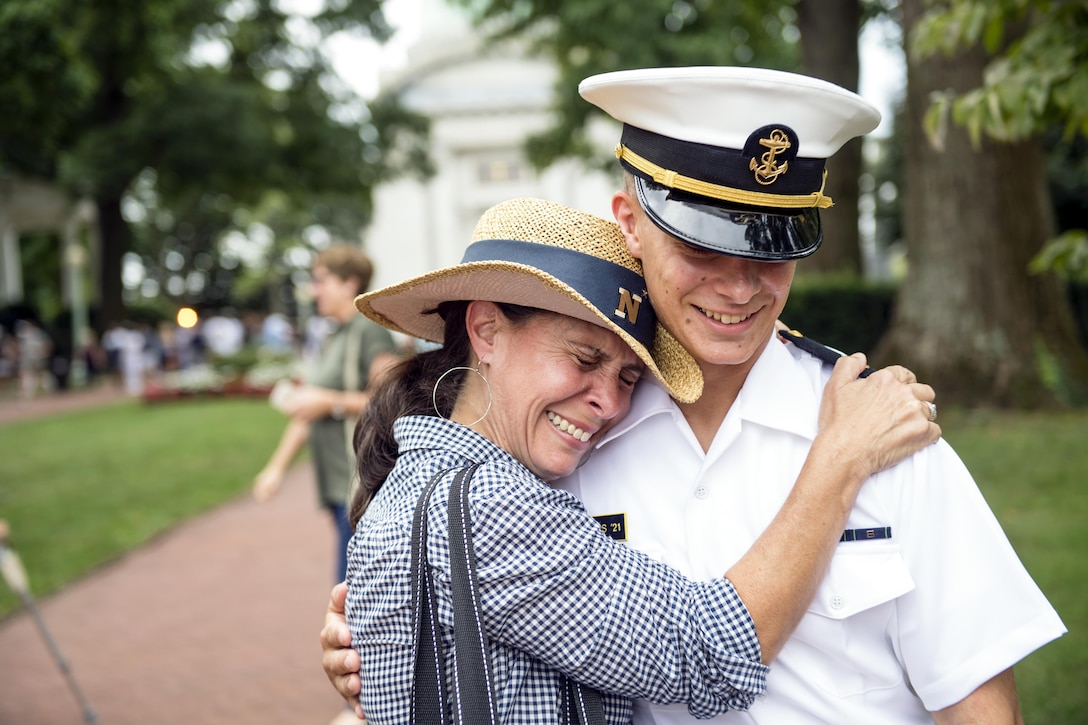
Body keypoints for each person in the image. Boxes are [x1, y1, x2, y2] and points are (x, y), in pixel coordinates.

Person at [321, 68, 1067, 723]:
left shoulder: (881, 421)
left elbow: (977, 694)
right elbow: (697, 647)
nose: (739, 285)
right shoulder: (560, 452)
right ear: (630, 224)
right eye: (703, 245)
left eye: (772, 251)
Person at [337, 196, 937, 723]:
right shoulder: (486, 503)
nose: (609, 401)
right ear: (488, 331)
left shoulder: (441, 482)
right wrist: (839, 457)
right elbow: (709, 655)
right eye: (582, 358)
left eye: (628, 375)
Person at [252, 244, 397, 585]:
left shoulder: (369, 330)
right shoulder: (335, 336)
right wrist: (275, 469)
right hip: (338, 485)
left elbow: (390, 399)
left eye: (321, 281)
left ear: (350, 284)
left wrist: (329, 401)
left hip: (361, 483)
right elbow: (310, 410)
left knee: (352, 592)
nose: (313, 290)